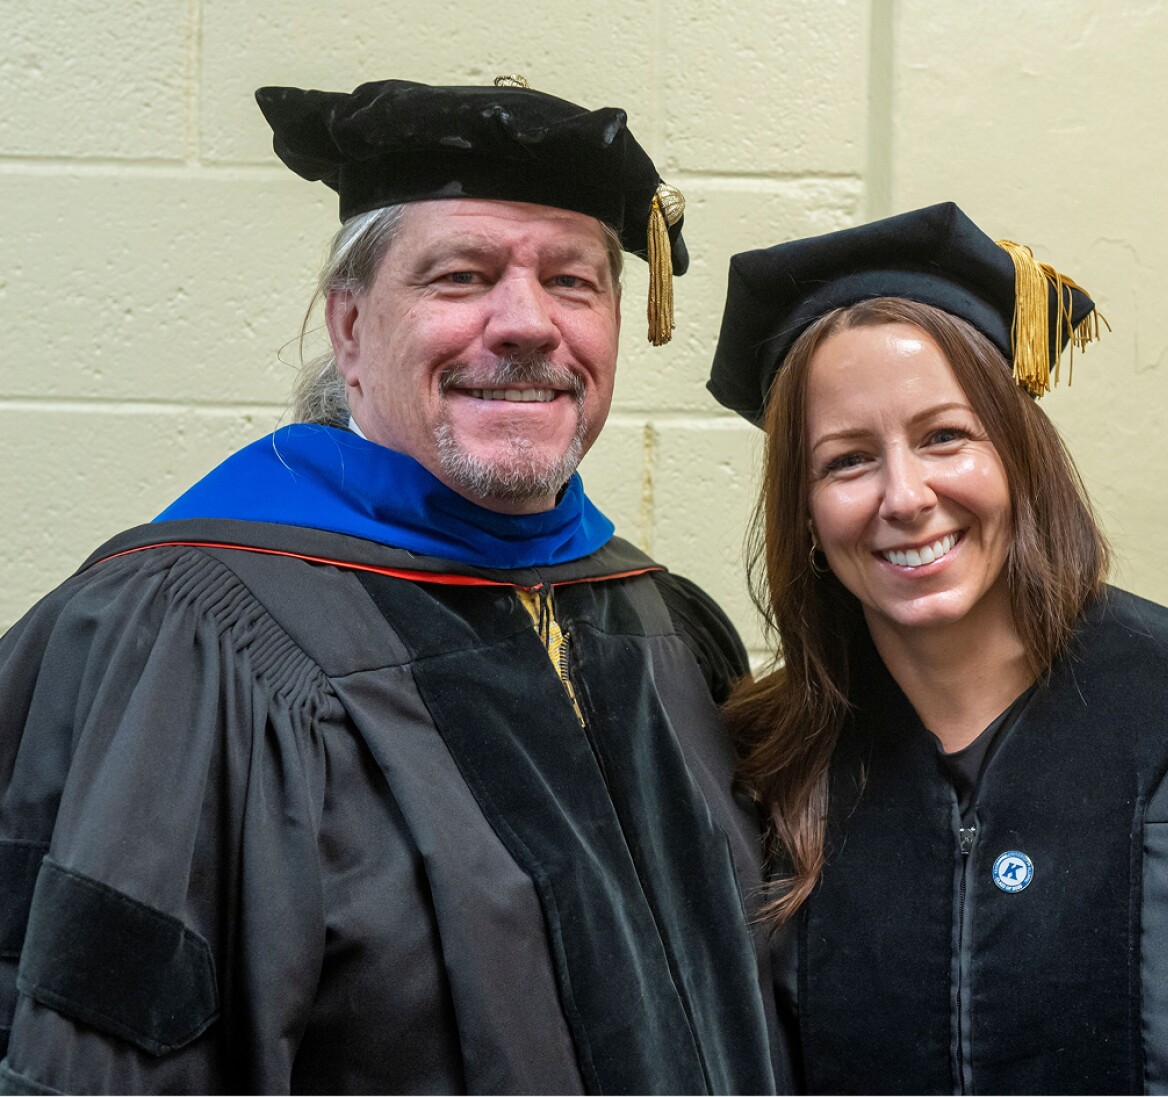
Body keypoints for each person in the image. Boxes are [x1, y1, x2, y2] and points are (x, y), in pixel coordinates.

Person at [0, 78, 786, 1094]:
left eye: (574, 282)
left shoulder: (662, 623)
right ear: (351, 326)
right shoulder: (191, 637)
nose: (528, 324)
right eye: (460, 276)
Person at [707, 202, 1168, 1095]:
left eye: (946, 436)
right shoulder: (766, 777)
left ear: (1019, 455)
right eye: (847, 460)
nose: (905, 495)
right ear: (807, 513)